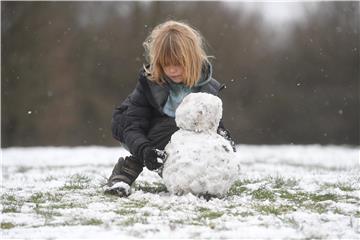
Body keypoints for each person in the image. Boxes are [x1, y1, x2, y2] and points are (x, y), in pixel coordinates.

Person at [105, 20, 235, 197]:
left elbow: (211, 123)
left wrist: (223, 136)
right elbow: (132, 124)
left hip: (186, 143)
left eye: (178, 63)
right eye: (166, 64)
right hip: (150, 136)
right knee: (167, 129)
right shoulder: (150, 85)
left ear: (192, 59)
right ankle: (125, 172)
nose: (172, 70)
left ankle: (197, 181)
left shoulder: (207, 88)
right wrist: (145, 151)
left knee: (204, 137)